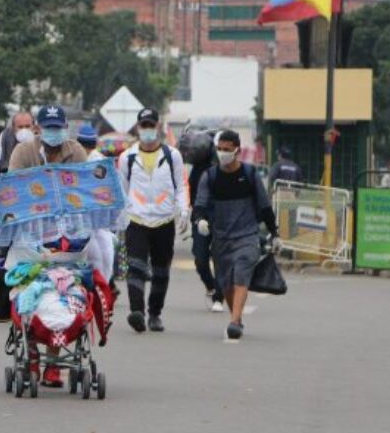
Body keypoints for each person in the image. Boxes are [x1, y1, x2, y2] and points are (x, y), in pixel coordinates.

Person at [8, 104, 89, 388]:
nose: (53, 133)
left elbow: (85, 189)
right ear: (38, 129)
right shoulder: (24, 152)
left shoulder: (76, 152)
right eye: (48, 128)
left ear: (65, 128)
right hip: (30, 231)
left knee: (65, 294)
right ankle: (31, 352)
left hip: (68, 231)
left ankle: (53, 364)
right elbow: (13, 189)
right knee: (28, 291)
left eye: (58, 127)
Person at [193, 130, 278, 340]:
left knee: (241, 273)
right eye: (219, 149)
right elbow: (200, 204)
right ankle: (237, 318)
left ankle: (234, 322)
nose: (223, 153)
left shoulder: (249, 175)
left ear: (237, 150)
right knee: (226, 283)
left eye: (227, 149)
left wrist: (275, 233)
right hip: (221, 238)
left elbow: (264, 205)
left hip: (247, 235)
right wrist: (200, 220)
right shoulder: (210, 176)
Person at [118, 108, 189, 334]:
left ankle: (155, 313)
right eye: (144, 126)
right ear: (138, 129)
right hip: (136, 219)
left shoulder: (172, 156)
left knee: (161, 271)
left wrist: (183, 210)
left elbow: (181, 185)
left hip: (163, 219)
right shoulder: (127, 157)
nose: (147, 130)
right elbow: (123, 190)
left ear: (158, 127)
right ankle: (137, 311)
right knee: (136, 266)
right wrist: (121, 220)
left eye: (151, 125)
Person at [181, 128, 226, 313]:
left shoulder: (221, 167)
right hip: (200, 218)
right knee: (200, 259)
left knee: (219, 258)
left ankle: (219, 297)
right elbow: (190, 192)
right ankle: (211, 286)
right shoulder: (198, 170)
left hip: (221, 219)